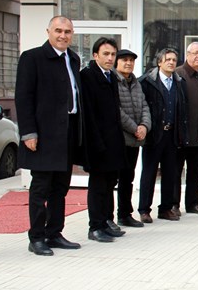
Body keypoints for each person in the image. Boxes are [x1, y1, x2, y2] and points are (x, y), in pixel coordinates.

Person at [15, 16, 83, 256]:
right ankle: (36, 237)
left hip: (68, 132)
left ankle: (54, 233)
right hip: (43, 134)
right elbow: (23, 98)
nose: (63, 35)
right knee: (40, 188)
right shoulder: (32, 58)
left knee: (60, 187)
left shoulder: (73, 59)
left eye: (67, 31)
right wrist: (28, 132)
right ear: (48, 32)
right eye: (58, 30)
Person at [80, 37, 128, 243]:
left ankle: (106, 222)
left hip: (113, 141)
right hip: (97, 142)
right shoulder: (88, 76)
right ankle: (95, 226)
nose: (110, 58)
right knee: (98, 185)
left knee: (109, 184)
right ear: (95, 55)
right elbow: (89, 113)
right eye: (106, 54)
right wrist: (96, 142)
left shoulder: (111, 76)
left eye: (113, 54)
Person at [139, 48, 188, 223]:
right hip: (154, 135)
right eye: (168, 59)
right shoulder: (147, 82)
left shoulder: (179, 82)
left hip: (172, 135)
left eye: (174, 60)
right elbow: (142, 108)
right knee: (149, 173)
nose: (171, 62)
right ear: (159, 62)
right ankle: (144, 209)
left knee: (170, 173)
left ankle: (166, 209)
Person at [173, 41, 198, 216]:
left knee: (196, 172)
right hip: (180, 135)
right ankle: (173, 204)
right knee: (175, 172)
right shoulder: (177, 75)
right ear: (187, 55)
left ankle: (192, 203)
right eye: (195, 53)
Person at [114, 49, 151, 228]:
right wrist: (135, 128)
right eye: (124, 60)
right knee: (113, 179)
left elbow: (144, 106)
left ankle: (125, 214)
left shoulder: (136, 83)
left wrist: (144, 126)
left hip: (134, 140)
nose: (128, 63)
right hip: (119, 138)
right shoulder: (112, 81)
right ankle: (107, 217)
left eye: (131, 60)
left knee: (128, 178)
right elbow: (117, 111)